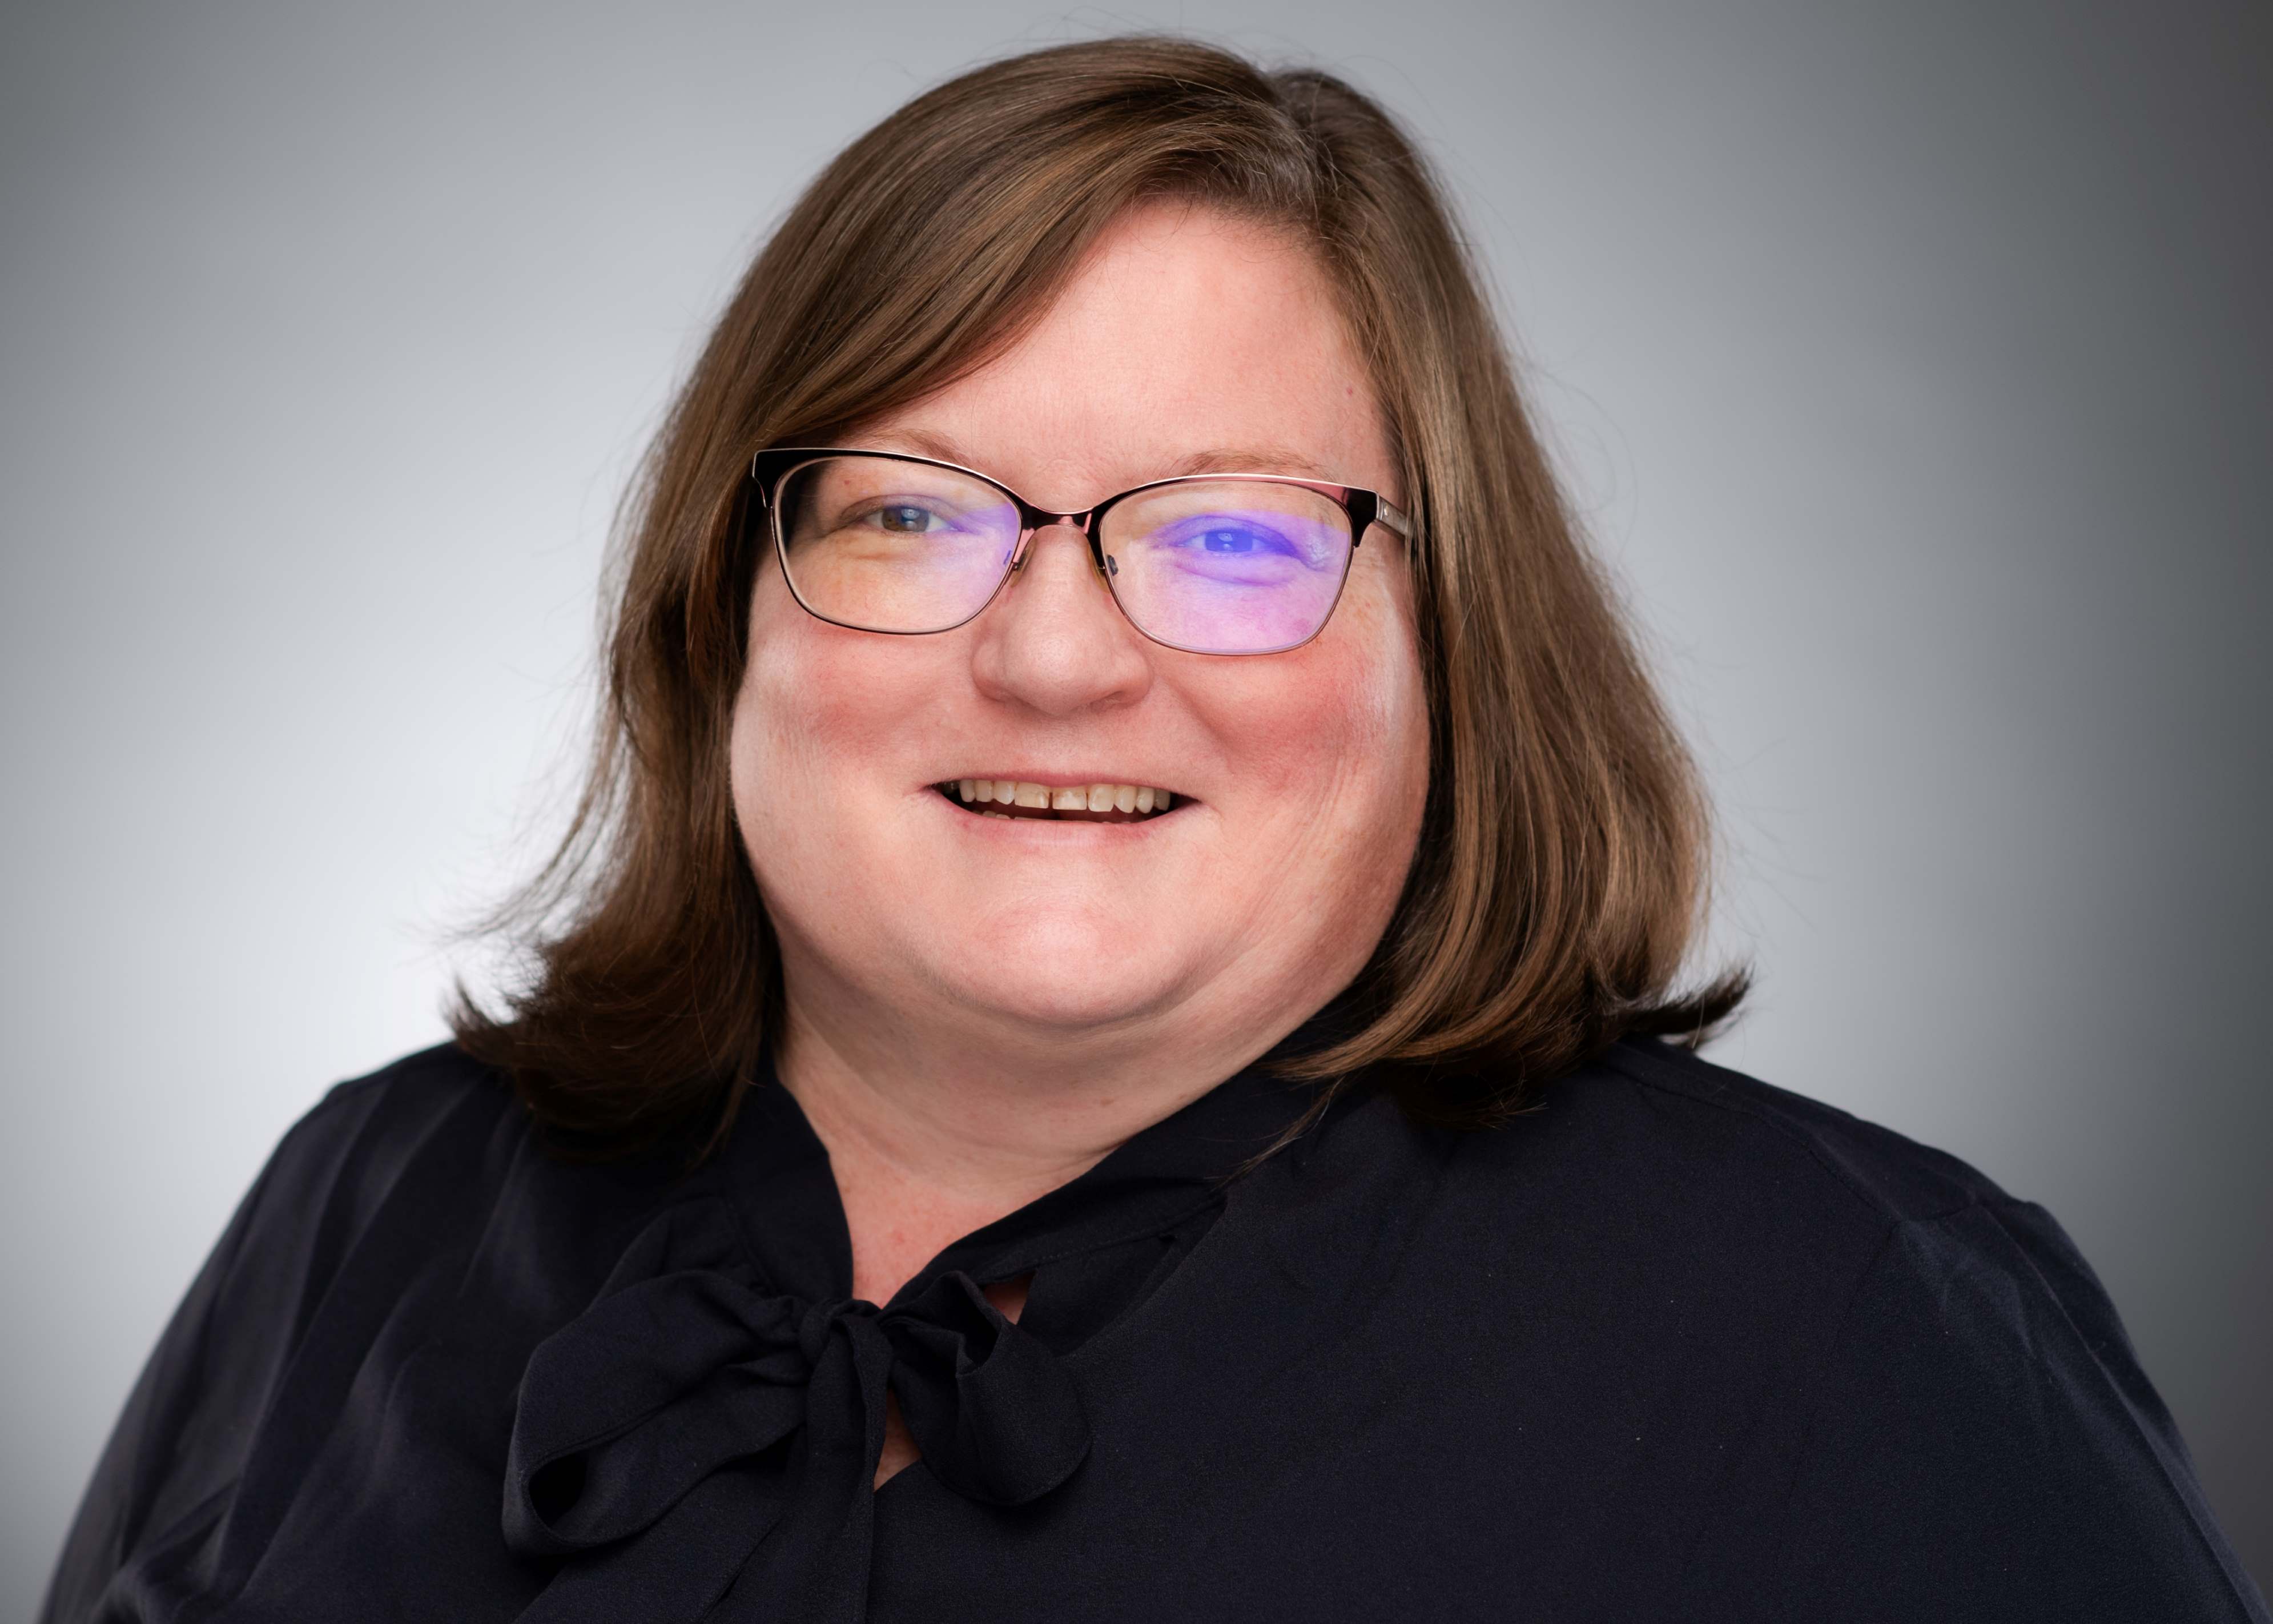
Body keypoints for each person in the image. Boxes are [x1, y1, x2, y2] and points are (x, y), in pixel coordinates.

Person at [41, 34, 2266, 1624]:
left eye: (1227, 536)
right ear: (722, 609)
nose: (1058, 661)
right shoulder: (375, 1200)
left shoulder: (1844, 1332)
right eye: (914, 514)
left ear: (1456, 645)